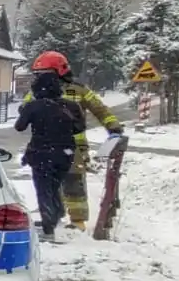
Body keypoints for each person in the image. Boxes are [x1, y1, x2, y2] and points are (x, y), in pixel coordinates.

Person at [24, 50, 123, 230]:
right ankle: (53, 217)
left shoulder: (77, 90)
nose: (40, 78)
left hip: (74, 147)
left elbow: (100, 109)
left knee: (73, 182)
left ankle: (78, 221)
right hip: (45, 145)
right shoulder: (37, 92)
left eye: (44, 74)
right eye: (38, 74)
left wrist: (113, 127)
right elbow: (25, 109)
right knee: (49, 184)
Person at [15, 71, 84, 239]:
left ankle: (48, 229)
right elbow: (79, 128)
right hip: (65, 154)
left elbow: (20, 127)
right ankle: (55, 215)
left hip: (41, 154)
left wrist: (26, 111)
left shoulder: (34, 106)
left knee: (43, 189)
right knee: (54, 186)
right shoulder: (71, 106)